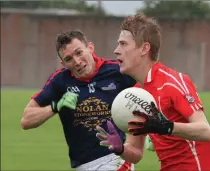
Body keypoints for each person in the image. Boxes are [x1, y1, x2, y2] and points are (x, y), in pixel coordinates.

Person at [96, 13, 210, 171]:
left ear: (144, 48)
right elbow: (136, 152)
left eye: (123, 44)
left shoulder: (172, 82)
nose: (116, 50)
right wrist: (121, 148)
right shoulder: (135, 94)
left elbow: (205, 131)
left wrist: (167, 127)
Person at [21, 30, 136, 171]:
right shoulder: (60, 81)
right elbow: (26, 120)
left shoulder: (117, 71)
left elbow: (147, 95)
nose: (77, 61)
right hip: (82, 165)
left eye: (79, 52)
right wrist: (55, 106)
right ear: (63, 63)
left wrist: (149, 131)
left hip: (115, 159)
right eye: (69, 59)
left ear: (91, 48)